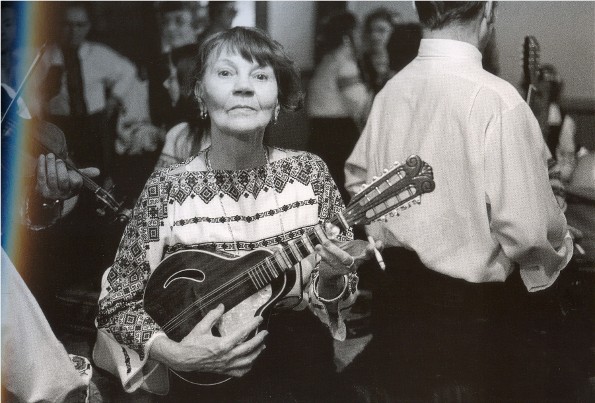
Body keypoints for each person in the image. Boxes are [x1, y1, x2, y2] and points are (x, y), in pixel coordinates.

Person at [94, 27, 376, 402]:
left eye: (260, 76)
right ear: (199, 93)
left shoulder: (310, 173)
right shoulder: (167, 189)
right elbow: (117, 302)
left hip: (300, 369)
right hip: (201, 379)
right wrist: (179, 354)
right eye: (226, 73)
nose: (244, 87)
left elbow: (336, 295)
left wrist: (329, 278)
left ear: (277, 99)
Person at [344, 2, 579, 401]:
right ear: (487, 9)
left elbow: (359, 184)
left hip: (396, 313)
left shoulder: (390, 92)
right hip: (473, 333)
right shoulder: (497, 100)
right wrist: (561, 249)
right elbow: (526, 232)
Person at [307, 11, 373, 203]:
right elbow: (361, 104)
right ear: (347, 37)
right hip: (338, 136)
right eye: (359, 33)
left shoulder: (328, 61)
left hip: (320, 135)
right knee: (344, 192)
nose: (362, 38)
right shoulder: (345, 66)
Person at [360, 8, 397, 95]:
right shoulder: (361, 61)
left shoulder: (399, 61)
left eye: (381, 30)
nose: (374, 36)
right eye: (370, 31)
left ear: (392, 32)